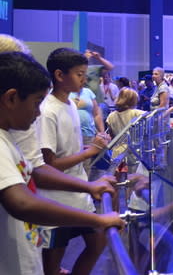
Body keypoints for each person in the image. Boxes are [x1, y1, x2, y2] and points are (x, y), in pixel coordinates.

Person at [0, 51, 124, 275]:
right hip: (26, 244)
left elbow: (35, 170)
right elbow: (23, 202)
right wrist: (97, 218)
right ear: (11, 99)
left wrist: (89, 186)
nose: (37, 113)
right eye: (36, 103)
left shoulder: (8, 139)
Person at [36, 48, 114, 275]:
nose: (84, 79)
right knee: (53, 260)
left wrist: (92, 147)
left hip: (79, 193)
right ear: (60, 76)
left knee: (97, 243)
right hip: (56, 198)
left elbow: (69, 150)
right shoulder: (47, 111)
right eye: (79, 74)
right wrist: (91, 152)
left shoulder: (70, 104)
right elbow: (48, 165)